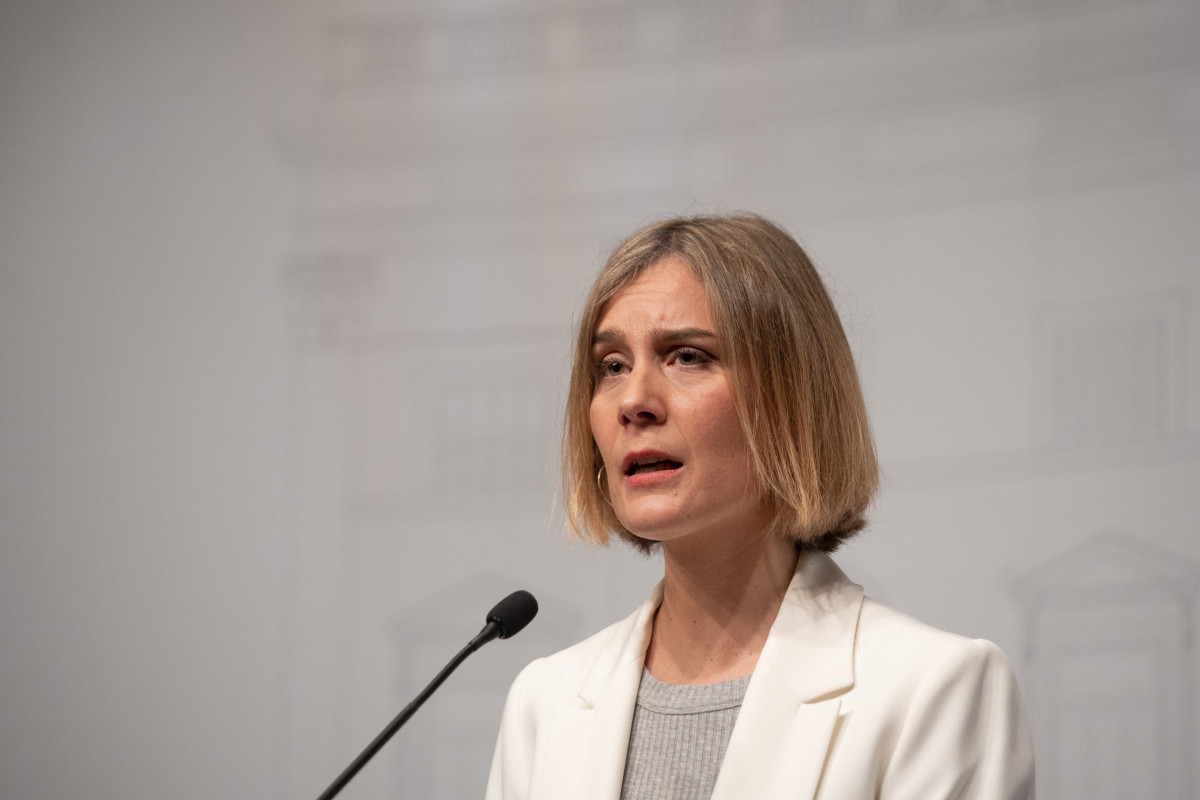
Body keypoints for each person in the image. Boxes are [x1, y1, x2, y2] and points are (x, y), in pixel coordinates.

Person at [486, 214, 1034, 800]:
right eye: (612, 366)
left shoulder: (932, 690)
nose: (634, 401)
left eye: (688, 356)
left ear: (793, 397)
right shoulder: (544, 703)